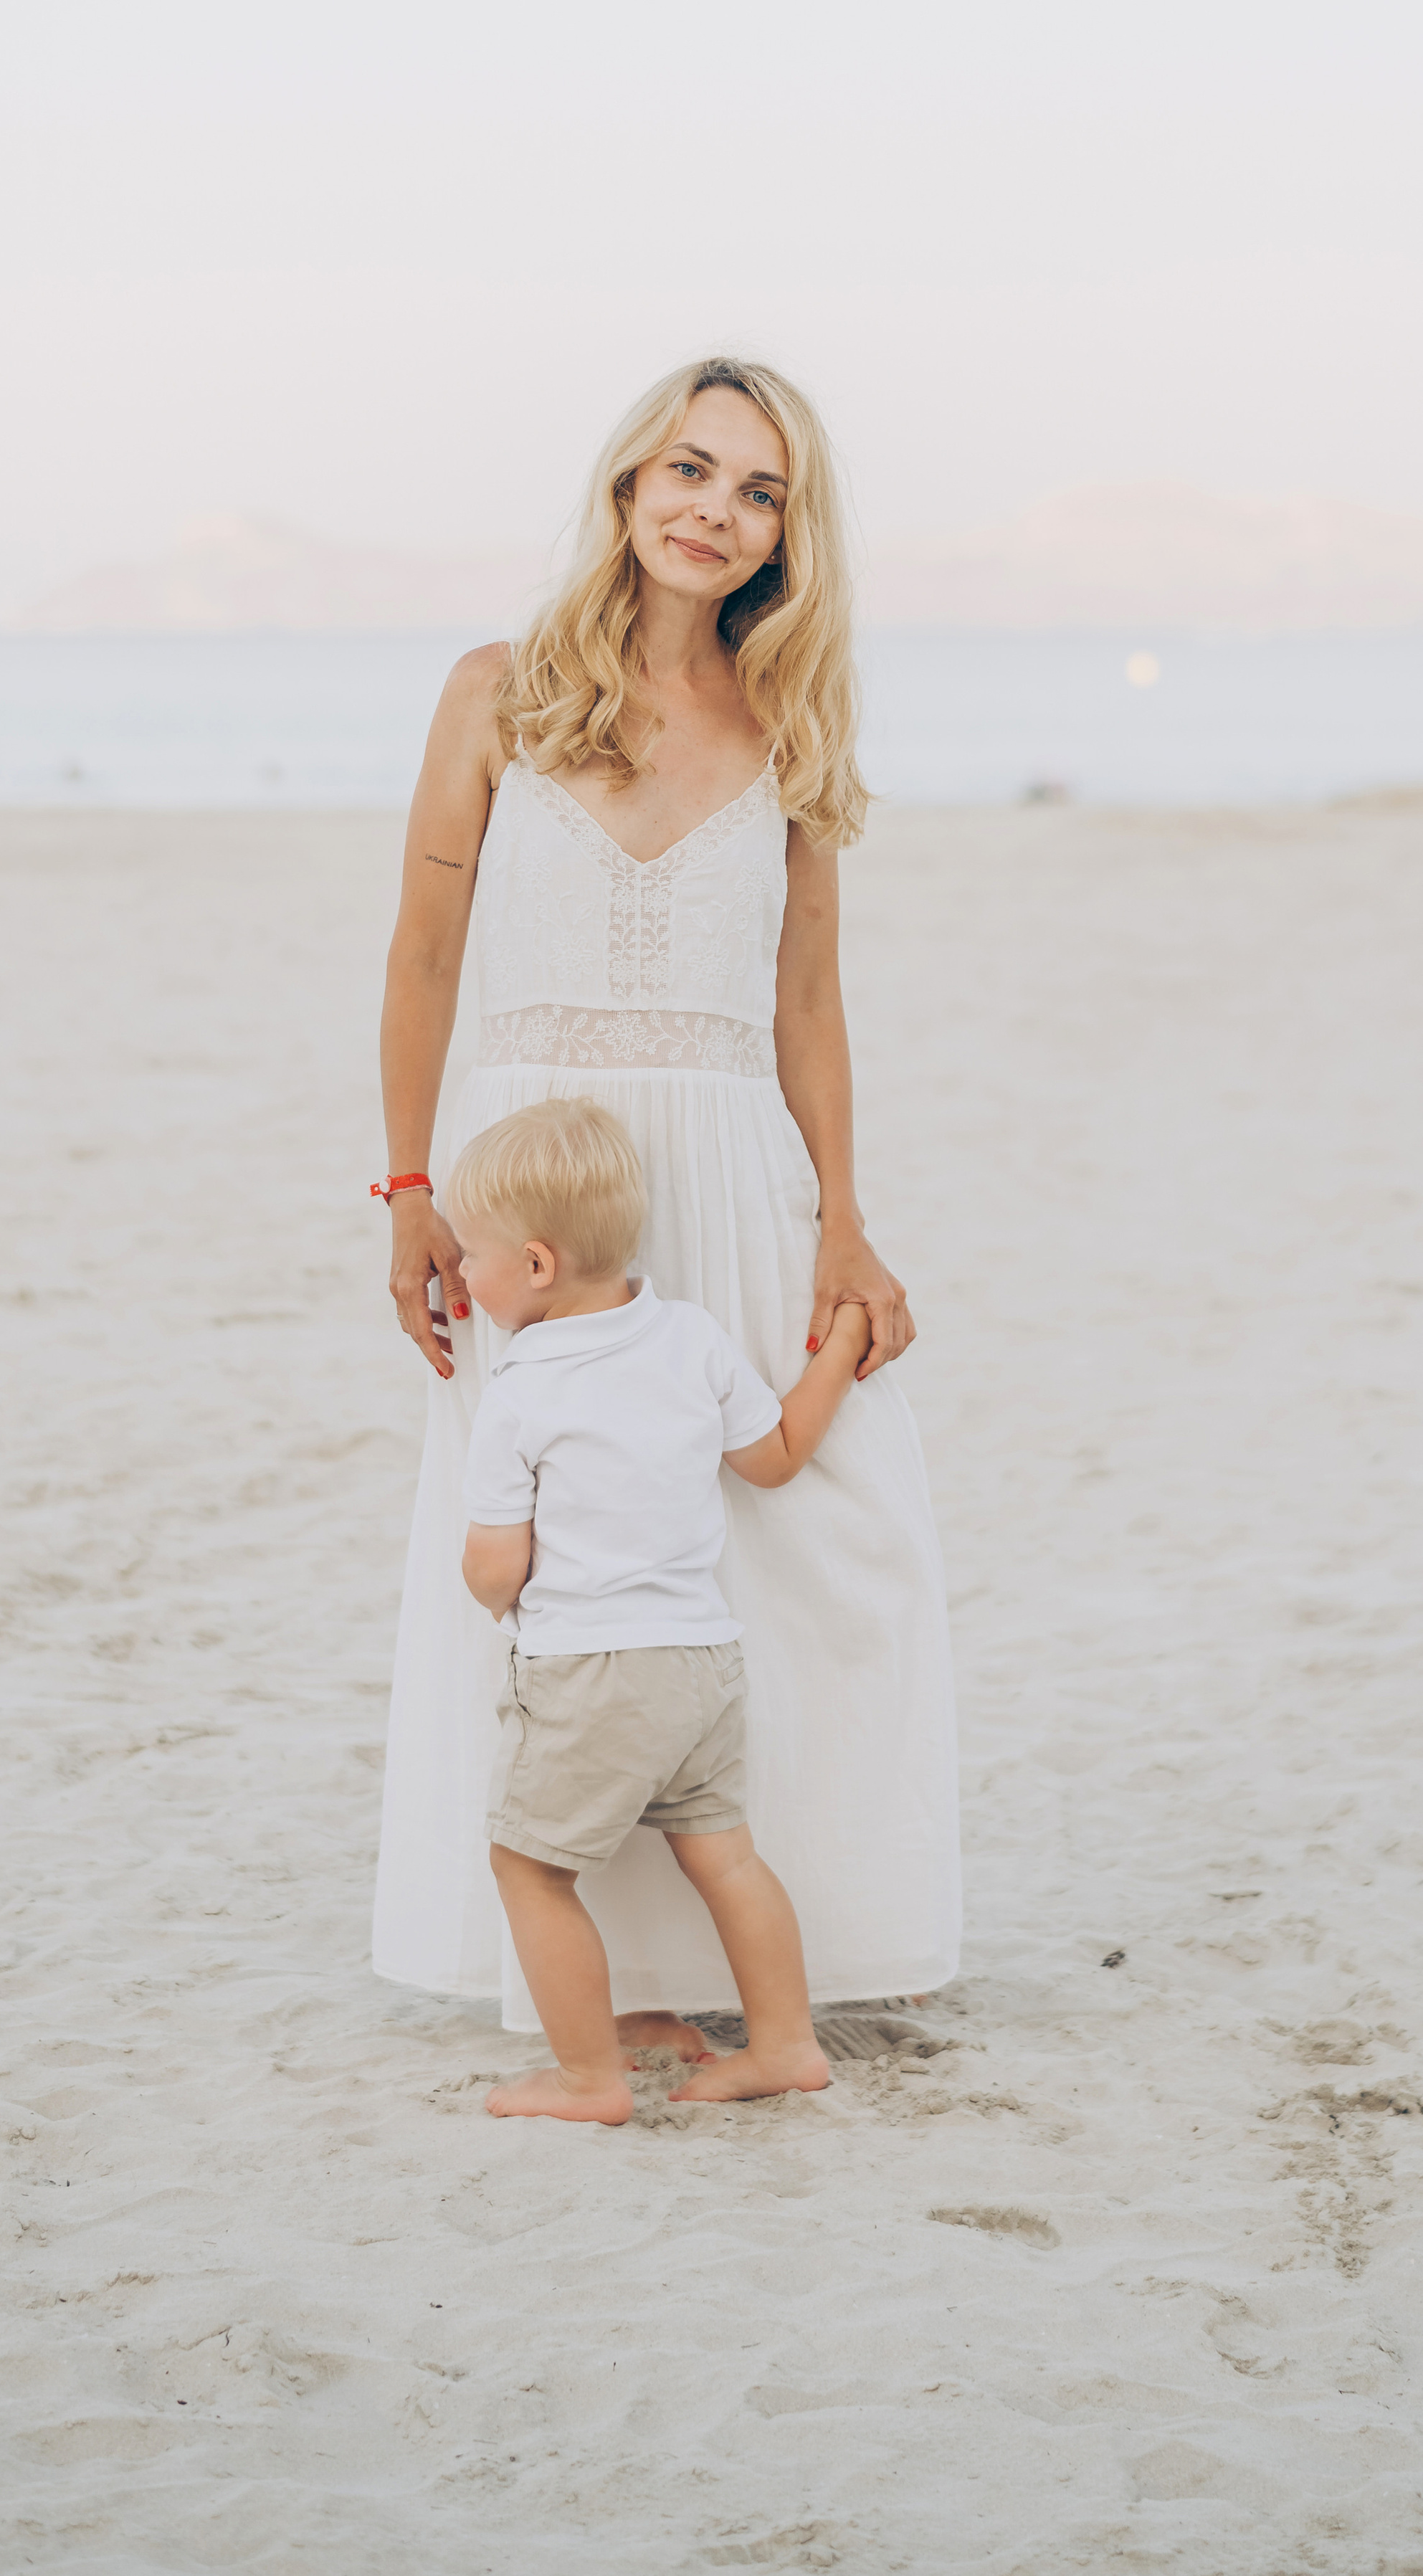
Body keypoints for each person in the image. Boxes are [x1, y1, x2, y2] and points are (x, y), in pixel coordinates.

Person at [373, 355, 959, 2039]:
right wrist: (410, 1190)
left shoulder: (786, 724)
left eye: (757, 489)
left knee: (825, 1529)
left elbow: (807, 1008)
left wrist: (843, 1217)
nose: (715, 509)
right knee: (566, 1557)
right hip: (538, 1184)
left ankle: (813, 1946)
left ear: (788, 532)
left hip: (731, 1168)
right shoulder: (494, 691)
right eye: (689, 471)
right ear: (629, 487)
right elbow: (420, 958)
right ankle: (607, 1983)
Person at [448, 1098, 872, 2124]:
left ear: (537, 1266)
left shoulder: (520, 1388)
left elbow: (496, 1568)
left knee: (529, 1866)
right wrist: (845, 1339)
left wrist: (494, 1580)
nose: (462, 1273)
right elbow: (772, 1459)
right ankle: (785, 2043)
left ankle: (589, 2078)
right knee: (725, 1851)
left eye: (472, 1254)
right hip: (702, 1659)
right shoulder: (690, 1336)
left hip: (591, 1667)